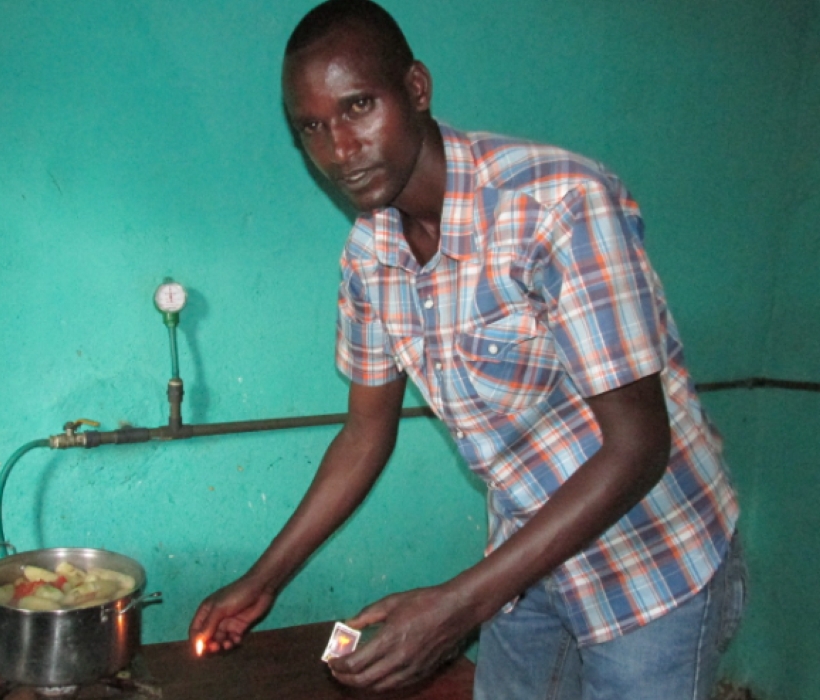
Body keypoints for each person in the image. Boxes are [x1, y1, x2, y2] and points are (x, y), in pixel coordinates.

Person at [188, 1, 745, 698]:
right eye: (312, 127)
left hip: (651, 565)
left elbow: (638, 446)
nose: (339, 150)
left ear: (416, 90)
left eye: (358, 107)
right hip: (528, 561)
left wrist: (456, 609)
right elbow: (366, 433)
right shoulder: (370, 257)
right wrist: (261, 582)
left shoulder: (556, 205)